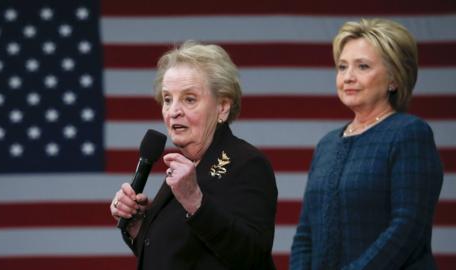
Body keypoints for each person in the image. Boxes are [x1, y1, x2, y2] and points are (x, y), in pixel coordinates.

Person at [290, 18, 443, 269]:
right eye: (342, 67)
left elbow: (407, 227)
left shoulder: (409, 133)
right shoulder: (327, 145)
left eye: (362, 66)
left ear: (394, 79)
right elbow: (306, 231)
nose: (348, 77)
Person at [110, 41, 278, 270]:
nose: (174, 111)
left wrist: (195, 202)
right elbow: (173, 256)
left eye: (189, 99)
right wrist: (138, 226)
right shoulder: (185, 167)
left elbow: (252, 254)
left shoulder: (247, 163)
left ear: (223, 107)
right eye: (168, 99)